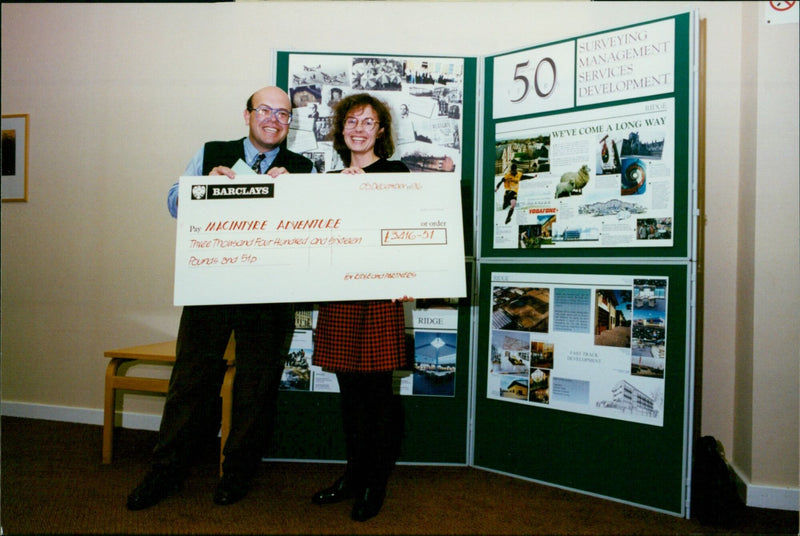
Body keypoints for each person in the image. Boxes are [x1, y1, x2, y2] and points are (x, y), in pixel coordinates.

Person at [126, 86, 314, 511]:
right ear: (246, 114)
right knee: (190, 383)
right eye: (265, 110)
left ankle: (237, 475)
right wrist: (200, 187)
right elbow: (174, 203)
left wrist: (298, 194)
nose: (274, 119)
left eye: (283, 114)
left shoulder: (304, 168)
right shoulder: (212, 151)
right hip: (210, 287)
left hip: (271, 295)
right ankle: (166, 471)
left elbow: (315, 234)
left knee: (256, 389)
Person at [310, 93, 410, 522]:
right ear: (341, 129)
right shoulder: (329, 179)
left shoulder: (396, 172)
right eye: (352, 120)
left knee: (377, 396)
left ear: (381, 132)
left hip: (380, 295)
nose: (359, 128)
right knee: (349, 394)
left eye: (369, 122)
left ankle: (375, 481)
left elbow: (406, 227)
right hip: (339, 293)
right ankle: (353, 475)